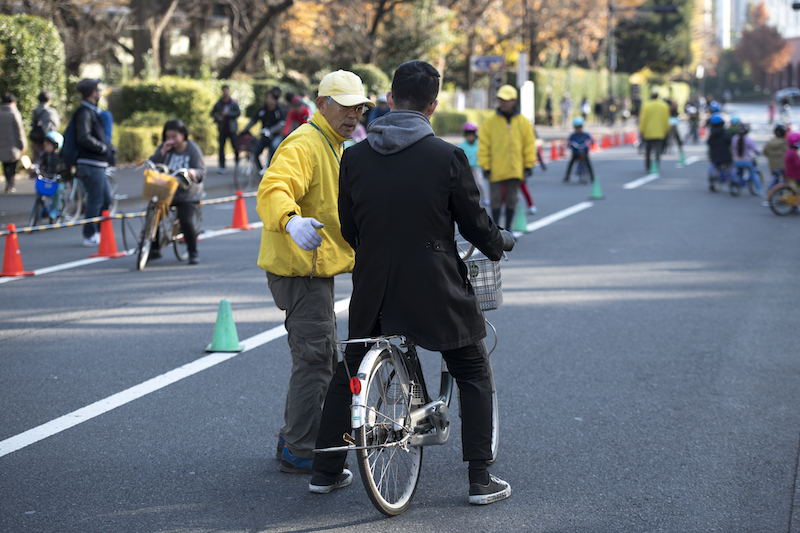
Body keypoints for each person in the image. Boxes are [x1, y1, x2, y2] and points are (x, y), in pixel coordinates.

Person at [311, 59, 515, 505]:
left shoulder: (355, 157)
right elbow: (475, 225)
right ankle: (480, 478)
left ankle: (325, 470)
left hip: (374, 287)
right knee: (472, 367)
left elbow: (350, 227)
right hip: (433, 284)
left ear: (389, 101)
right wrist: (499, 242)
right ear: (433, 105)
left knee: (351, 368)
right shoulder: (446, 156)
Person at [256, 69, 374, 474]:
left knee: (318, 355)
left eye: (358, 106)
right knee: (316, 358)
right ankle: (300, 448)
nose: (352, 113)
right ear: (321, 103)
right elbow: (273, 187)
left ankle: (296, 437)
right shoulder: (307, 142)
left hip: (312, 268)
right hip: (298, 270)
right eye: (343, 104)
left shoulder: (334, 144)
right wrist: (290, 220)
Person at [478, 84, 536, 229]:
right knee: (495, 201)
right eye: (500, 99)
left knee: (511, 201)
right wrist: (485, 167)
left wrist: (528, 165)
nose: (502, 102)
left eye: (506, 100)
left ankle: (508, 229)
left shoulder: (523, 121)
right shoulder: (490, 122)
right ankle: (497, 231)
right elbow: (484, 145)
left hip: (515, 170)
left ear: (514, 100)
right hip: (495, 170)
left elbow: (529, 144)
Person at [147, 119, 205, 264]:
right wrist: (162, 151)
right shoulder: (165, 148)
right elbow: (153, 164)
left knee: (185, 220)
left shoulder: (192, 149)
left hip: (187, 193)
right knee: (154, 212)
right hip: (167, 191)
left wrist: (192, 172)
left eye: (174, 137)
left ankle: (193, 252)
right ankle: (154, 249)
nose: (171, 140)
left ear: (183, 134)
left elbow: (201, 171)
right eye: (168, 137)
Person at [73, 79, 112, 246]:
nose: (100, 92)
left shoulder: (91, 111)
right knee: (96, 200)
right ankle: (90, 234)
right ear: (93, 93)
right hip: (90, 163)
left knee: (105, 199)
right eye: (98, 90)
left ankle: (99, 232)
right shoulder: (85, 112)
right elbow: (83, 137)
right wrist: (102, 147)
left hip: (97, 164)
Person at [241, 87, 286, 169]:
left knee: (274, 147)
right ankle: (261, 171)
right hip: (264, 135)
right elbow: (254, 119)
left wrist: (271, 131)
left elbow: (282, 124)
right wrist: (246, 129)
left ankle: (272, 169)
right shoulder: (263, 110)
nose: (268, 100)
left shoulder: (279, 110)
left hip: (275, 135)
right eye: (267, 98)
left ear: (275, 100)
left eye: (270, 98)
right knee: (255, 151)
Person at [638, 87, 670, 172]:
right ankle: (656, 164)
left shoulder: (646, 105)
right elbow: (666, 119)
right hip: (660, 131)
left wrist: (641, 130)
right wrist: (667, 129)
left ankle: (648, 165)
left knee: (648, 150)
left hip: (648, 131)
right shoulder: (664, 105)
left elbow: (643, 119)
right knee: (658, 150)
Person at [35, 131, 66, 218]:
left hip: (58, 180)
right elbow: (39, 160)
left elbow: (64, 169)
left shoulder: (60, 156)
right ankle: (40, 208)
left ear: (56, 145)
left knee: (58, 191)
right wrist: (35, 165)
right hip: (48, 178)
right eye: (45, 146)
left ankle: (55, 209)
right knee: (39, 190)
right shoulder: (45, 155)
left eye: (48, 146)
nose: (46, 148)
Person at [210, 85, 240, 173]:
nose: (225, 92)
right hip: (222, 129)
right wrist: (217, 117)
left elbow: (238, 113)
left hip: (232, 129)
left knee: (235, 146)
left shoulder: (233, 102)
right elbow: (212, 113)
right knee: (221, 148)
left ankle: (238, 163)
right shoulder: (219, 103)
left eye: (227, 90)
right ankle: (222, 166)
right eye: (224, 91)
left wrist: (228, 114)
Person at [0, 93, 26, 194]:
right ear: (13, 102)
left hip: (2, 145)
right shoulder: (14, 114)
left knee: (5, 165)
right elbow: (19, 131)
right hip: (13, 145)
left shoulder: (0, 113)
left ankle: (8, 183)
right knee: (12, 166)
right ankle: (10, 185)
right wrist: (22, 144)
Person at [458, 121, 489, 206]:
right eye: (468, 135)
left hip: (476, 167)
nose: (470, 137)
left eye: (471, 135)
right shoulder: (462, 145)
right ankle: (469, 199)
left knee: (480, 182)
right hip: (466, 168)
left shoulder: (479, 144)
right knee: (466, 184)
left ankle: (485, 198)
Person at [730, 123, 763, 195]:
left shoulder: (734, 138)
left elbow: (732, 149)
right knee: (753, 173)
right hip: (746, 161)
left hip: (736, 160)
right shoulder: (748, 139)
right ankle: (759, 189)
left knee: (739, 171)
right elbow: (755, 150)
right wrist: (761, 152)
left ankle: (738, 184)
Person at [30, 90, 61, 162]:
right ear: (49, 100)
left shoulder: (35, 111)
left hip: (36, 138)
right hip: (48, 140)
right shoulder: (51, 111)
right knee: (48, 160)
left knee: (37, 158)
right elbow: (56, 125)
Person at [563, 116, 595, 183]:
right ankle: (567, 176)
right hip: (576, 153)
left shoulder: (585, 135)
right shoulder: (573, 135)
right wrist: (570, 144)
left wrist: (590, 142)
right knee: (571, 163)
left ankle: (592, 176)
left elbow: (591, 140)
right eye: (577, 128)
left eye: (580, 127)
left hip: (584, 152)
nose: (578, 129)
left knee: (588, 163)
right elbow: (569, 142)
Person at [706, 114, 732, 186]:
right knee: (729, 165)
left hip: (714, 155)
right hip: (725, 155)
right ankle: (730, 178)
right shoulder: (725, 133)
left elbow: (709, 143)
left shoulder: (712, 134)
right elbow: (730, 141)